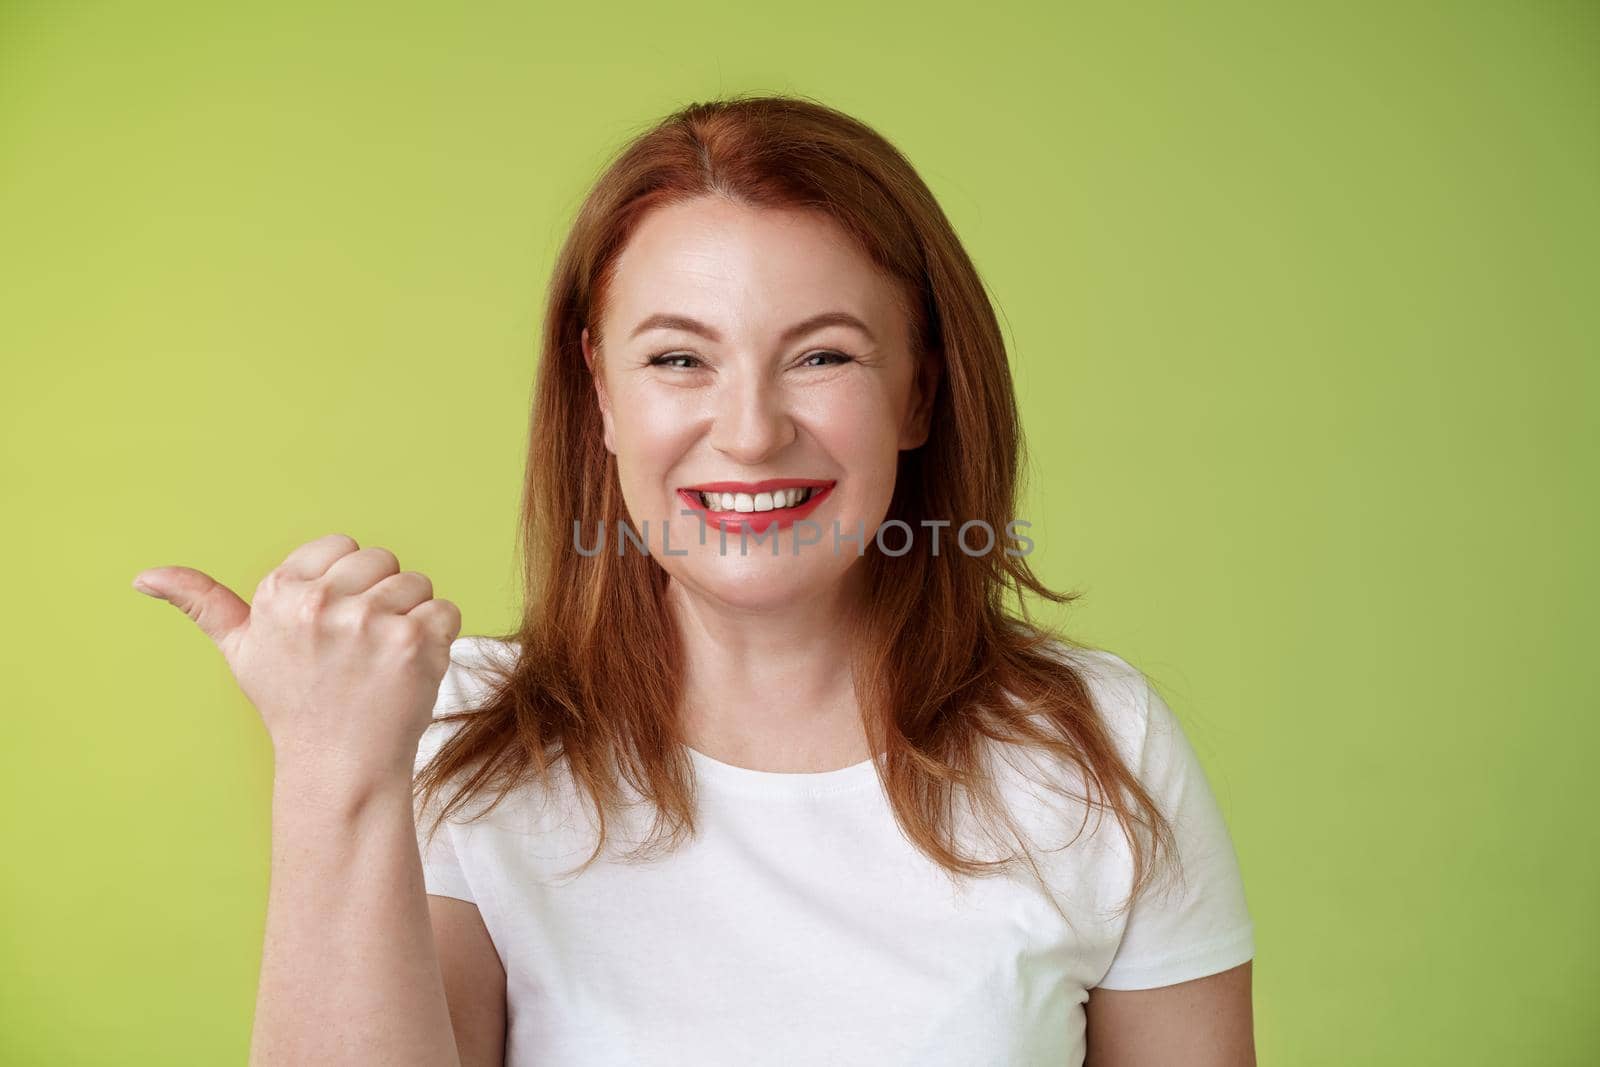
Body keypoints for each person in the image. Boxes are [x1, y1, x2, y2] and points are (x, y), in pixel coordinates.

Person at [133, 93, 1256, 1066]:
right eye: (678, 358)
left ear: (919, 392)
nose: (752, 432)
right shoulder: (459, 739)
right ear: (601, 393)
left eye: (823, 355)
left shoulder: (1096, 749)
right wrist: (335, 768)